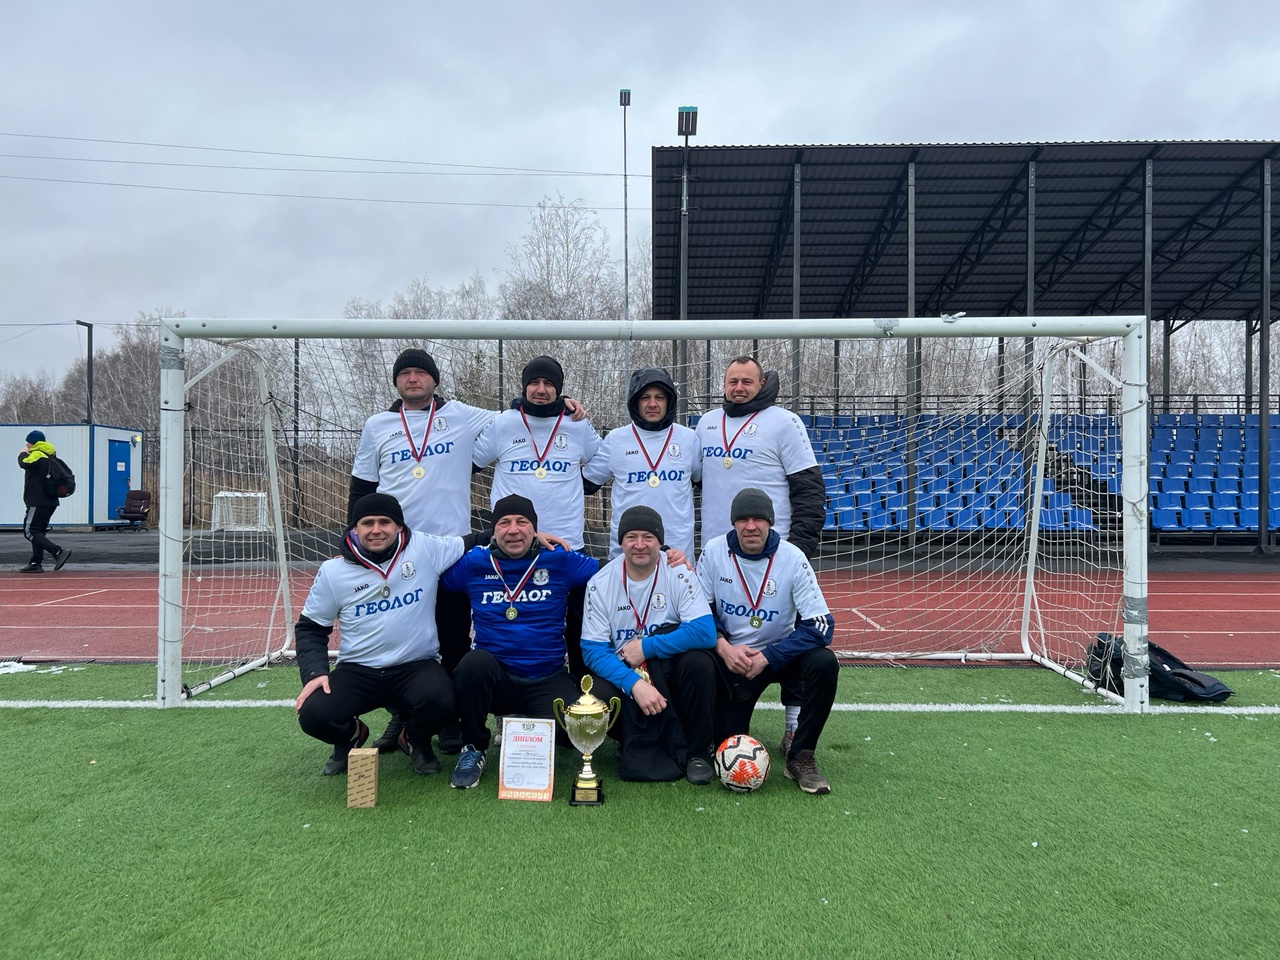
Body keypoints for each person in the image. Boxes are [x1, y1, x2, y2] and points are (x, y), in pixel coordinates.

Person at [349, 347, 586, 754]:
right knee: (399, 636)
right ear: (396, 381)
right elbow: (362, 488)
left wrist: (558, 402)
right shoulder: (377, 425)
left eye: (420, 373)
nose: (412, 379)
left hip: (450, 547)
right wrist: (352, 539)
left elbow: (518, 414)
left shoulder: (460, 415)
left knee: (453, 637)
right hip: (396, 549)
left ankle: (453, 720)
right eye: (404, 374)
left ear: (434, 379)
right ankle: (402, 717)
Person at [695, 356, 826, 753]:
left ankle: (793, 727)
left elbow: (809, 489)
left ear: (762, 382)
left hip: (773, 554)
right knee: (717, 638)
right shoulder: (706, 423)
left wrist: (797, 550)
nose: (739, 388)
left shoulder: (784, 422)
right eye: (732, 381)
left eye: (747, 381)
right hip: (720, 555)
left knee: (792, 637)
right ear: (723, 384)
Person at [293, 493, 466, 778]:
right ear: (354, 528)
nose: (376, 530)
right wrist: (315, 673)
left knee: (444, 698)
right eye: (367, 523)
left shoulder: (424, 548)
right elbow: (311, 628)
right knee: (314, 714)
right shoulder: (333, 571)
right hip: (358, 669)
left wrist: (531, 534)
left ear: (399, 526)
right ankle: (350, 737)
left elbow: (474, 541)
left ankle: (414, 739)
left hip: (415, 666)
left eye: (385, 522)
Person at [439, 494, 598, 790]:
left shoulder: (559, 559)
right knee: (473, 665)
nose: (513, 530)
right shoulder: (474, 562)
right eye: (504, 523)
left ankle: (523, 721)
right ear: (493, 530)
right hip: (496, 679)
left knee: (574, 735)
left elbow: (613, 569)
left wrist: (664, 553)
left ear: (535, 529)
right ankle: (473, 747)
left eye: (522, 522)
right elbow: (429, 575)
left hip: (547, 677)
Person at [697, 488, 838, 795]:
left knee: (824, 663)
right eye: (743, 520)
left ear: (770, 523)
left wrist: (769, 656)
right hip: (734, 660)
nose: (751, 526)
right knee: (727, 741)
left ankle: (800, 756)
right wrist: (723, 646)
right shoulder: (714, 551)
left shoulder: (792, 557)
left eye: (758, 519)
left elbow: (821, 626)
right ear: (734, 523)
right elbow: (699, 610)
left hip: (779, 657)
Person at [474, 355, 603, 677]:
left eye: (549, 384)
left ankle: (580, 693)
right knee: (517, 625)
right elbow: (471, 462)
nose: (541, 389)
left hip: (566, 544)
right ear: (524, 387)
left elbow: (602, 459)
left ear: (559, 389)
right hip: (514, 545)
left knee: (579, 627)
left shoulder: (577, 424)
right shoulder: (504, 423)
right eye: (534, 382)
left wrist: (582, 485)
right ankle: (511, 691)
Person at [581, 506, 718, 785]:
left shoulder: (678, 572)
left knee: (700, 664)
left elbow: (705, 632)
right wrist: (633, 683)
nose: (640, 545)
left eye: (648, 537)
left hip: (667, 670)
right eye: (631, 537)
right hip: (625, 672)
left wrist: (647, 647)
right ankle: (631, 742)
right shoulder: (600, 583)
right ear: (621, 542)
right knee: (596, 695)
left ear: (660, 542)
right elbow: (593, 651)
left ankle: (697, 751)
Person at [583, 367, 702, 560]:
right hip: (628, 554)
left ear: (669, 401)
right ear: (635, 401)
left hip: (678, 554)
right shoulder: (616, 439)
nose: (652, 404)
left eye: (659, 397)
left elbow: (705, 481)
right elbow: (586, 483)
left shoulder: (689, 438)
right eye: (645, 397)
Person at [17, 430, 70, 573]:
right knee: (38, 531)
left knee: (30, 532)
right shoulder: (50, 454)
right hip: (50, 500)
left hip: (37, 500)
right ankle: (36, 562)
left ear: (34, 442)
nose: (26, 445)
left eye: (28, 442)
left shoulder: (37, 454)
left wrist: (22, 453)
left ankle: (58, 551)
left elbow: (23, 463)